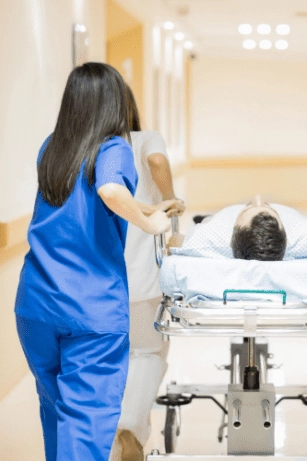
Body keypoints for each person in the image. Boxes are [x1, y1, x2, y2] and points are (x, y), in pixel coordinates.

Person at [15, 62, 182, 461]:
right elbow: (108, 189)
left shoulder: (53, 146)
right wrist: (151, 221)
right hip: (88, 311)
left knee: (56, 411)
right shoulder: (113, 149)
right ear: (114, 103)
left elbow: (83, 199)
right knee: (85, 422)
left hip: (36, 304)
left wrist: (147, 206)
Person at [110, 87, 185, 461]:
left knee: (113, 355)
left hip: (102, 277)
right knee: (147, 351)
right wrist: (169, 206)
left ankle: (110, 434)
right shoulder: (143, 139)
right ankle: (130, 429)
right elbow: (156, 161)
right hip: (140, 271)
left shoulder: (93, 148)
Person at [168, 195, 288, 262]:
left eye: (248, 207)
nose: (258, 198)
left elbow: (174, 242)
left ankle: (204, 219)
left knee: (207, 221)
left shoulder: (212, 233)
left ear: (231, 241)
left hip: (217, 220)